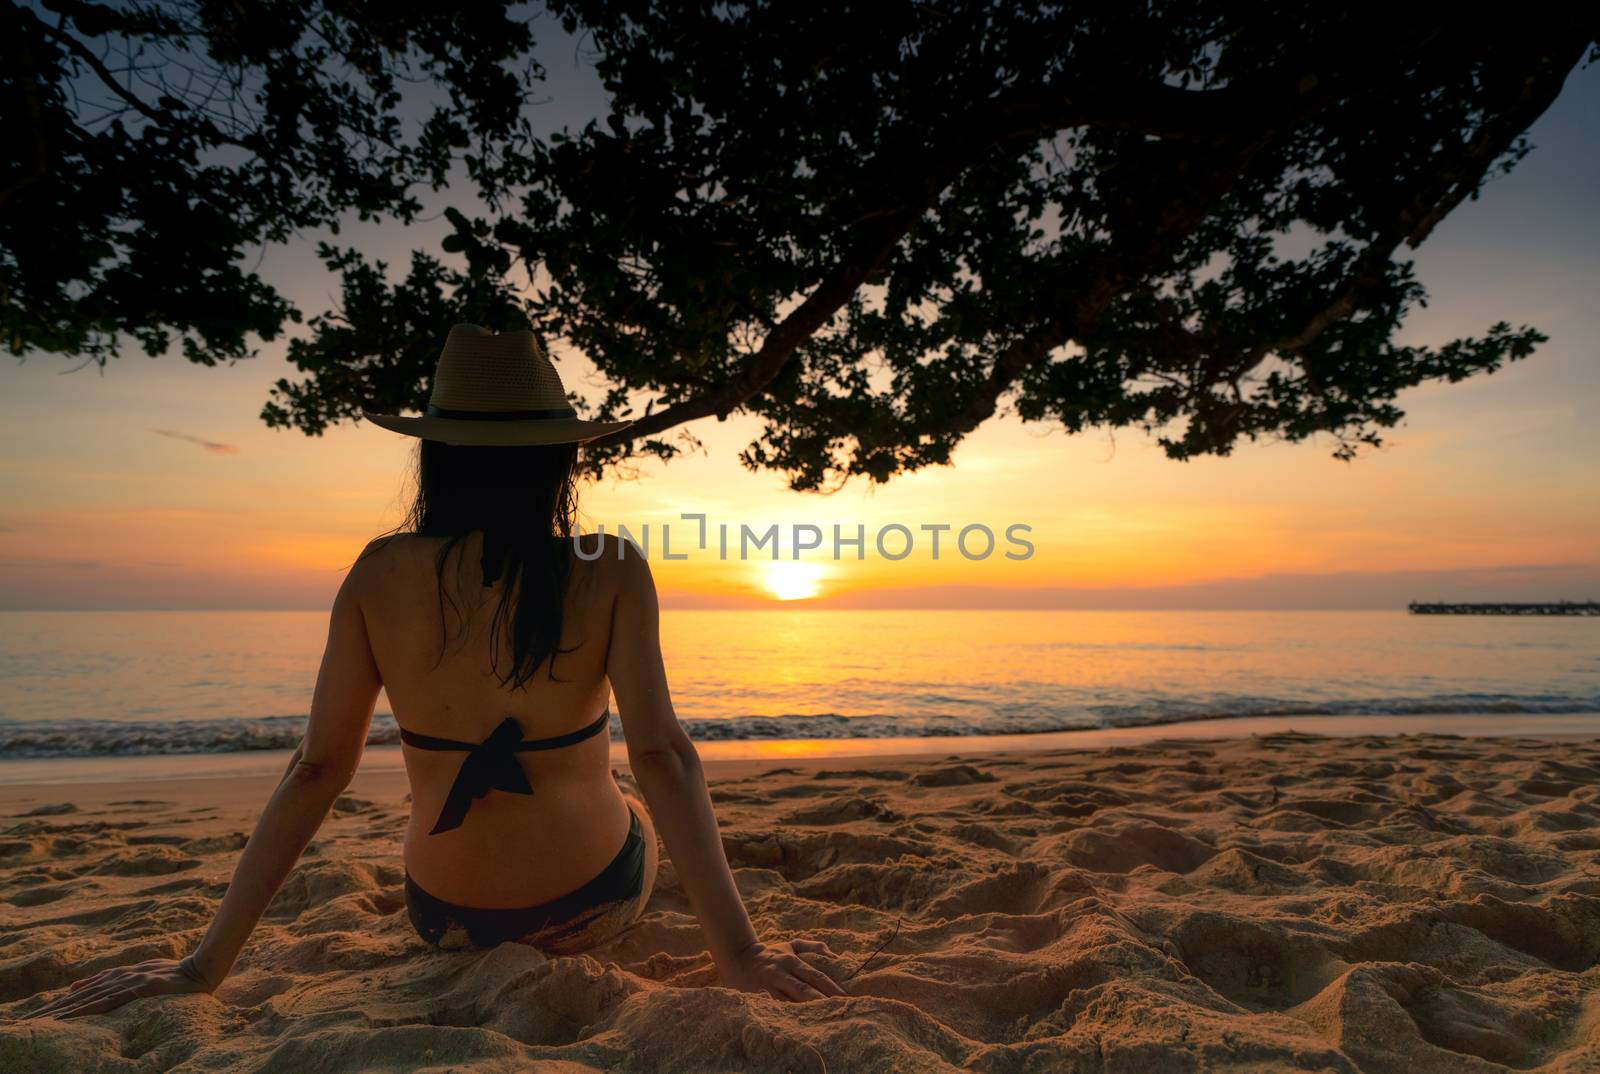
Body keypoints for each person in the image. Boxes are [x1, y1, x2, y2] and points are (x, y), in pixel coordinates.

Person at [27, 324, 845, 1020]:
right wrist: (739, 955)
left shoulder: (378, 573)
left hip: (446, 917)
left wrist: (201, 969)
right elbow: (664, 756)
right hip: (591, 904)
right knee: (628, 797)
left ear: (436, 456)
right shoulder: (611, 565)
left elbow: (317, 769)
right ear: (559, 457)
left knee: (427, 807)